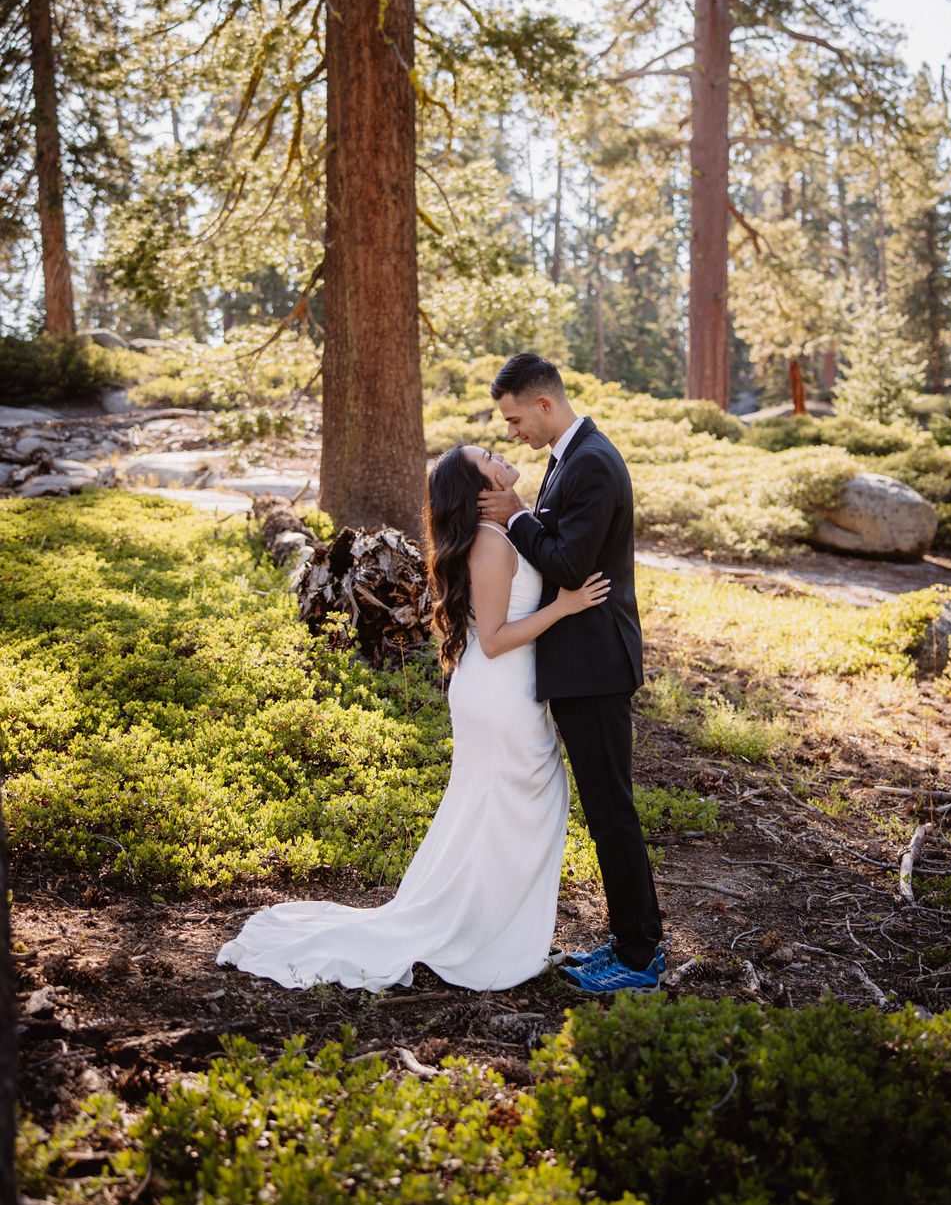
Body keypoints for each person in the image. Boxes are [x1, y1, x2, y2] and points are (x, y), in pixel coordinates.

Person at [216, 443, 608, 993]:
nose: (500, 454)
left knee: (495, 811)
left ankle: (488, 925)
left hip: (503, 692)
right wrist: (563, 607)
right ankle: (484, 936)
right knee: (518, 808)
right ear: (477, 489)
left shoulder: (503, 532)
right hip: (499, 691)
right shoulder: (492, 545)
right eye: (489, 456)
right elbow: (494, 640)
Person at [477, 351, 665, 993]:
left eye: (513, 418)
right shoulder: (570, 454)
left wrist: (517, 517)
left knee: (611, 809)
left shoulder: (591, 462)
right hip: (582, 663)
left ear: (544, 405)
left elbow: (569, 563)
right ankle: (627, 938)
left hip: (596, 666)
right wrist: (528, 512)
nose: (511, 432)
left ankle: (640, 957)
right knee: (607, 805)